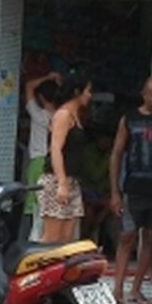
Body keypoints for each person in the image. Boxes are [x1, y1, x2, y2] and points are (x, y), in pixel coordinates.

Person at [109, 76, 152, 304]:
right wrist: (114, 192)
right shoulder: (130, 119)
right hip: (133, 187)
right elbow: (116, 154)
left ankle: (136, 290)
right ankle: (117, 290)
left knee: (150, 238)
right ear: (144, 95)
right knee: (127, 236)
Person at [37, 71, 93, 244]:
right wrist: (61, 183)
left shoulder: (77, 116)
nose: (90, 96)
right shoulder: (63, 115)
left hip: (72, 180)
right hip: (56, 180)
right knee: (52, 238)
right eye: (88, 91)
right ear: (77, 91)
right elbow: (55, 149)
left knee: (67, 238)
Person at [20, 72, 61, 242]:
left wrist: (47, 76)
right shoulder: (62, 117)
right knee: (48, 206)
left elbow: (29, 85)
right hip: (55, 164)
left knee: (30, 206)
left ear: (41, 98)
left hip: (38, 162)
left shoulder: (38, 115)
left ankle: (24, 242)